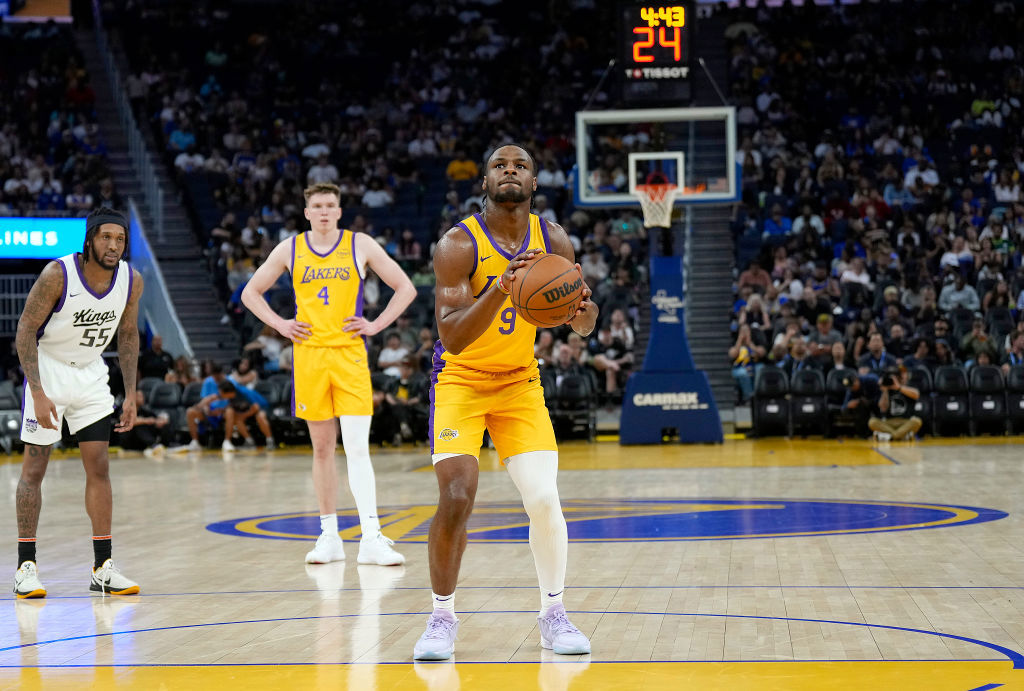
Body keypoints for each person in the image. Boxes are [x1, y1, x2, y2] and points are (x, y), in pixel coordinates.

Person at [413, 144, 597, 661]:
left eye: (520, 165)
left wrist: (582, 310)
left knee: (543, 500)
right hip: (461, 381)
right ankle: (441, 616)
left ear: (534, 182)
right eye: (499, 165)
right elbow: (452, 337)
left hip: (520, 382)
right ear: (486, 181)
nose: (509, 170)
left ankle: (554, 613)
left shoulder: (554, 238)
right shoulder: (457, 245)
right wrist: (503, 286)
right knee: (456, 496)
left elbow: (582, 321)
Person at [241, 182, 415, 567]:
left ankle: (371, 536)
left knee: (356, 447)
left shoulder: (361, 244)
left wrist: (376, 324)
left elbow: (405, 287)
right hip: (309, 358)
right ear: (307, 212)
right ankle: (329, 536)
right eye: (316, 205)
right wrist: (281, 325)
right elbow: (250, 292)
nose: (323, 211)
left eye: (330, 205)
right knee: (322, 449)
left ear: (339, 211)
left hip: (350, 356)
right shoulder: (290, 248)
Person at [14, 207, 143, 598]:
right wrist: (36, 391)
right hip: (50, 372)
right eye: (106, 237)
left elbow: (128, 336)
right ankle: (25, 567)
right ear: (89, 239)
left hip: (90, 374)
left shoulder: (131, 280)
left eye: (119, 239)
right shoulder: (58, 274)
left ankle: (102, 566)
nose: (113, 245)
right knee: (35, 468)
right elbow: (25, 330)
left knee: (99, 466)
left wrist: (131, 393)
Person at [189, 379, 273, 451]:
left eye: (221, 392)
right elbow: (212, 398)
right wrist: (198, 406)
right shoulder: (229, 394)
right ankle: (250, 441)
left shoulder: (243, 393)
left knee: (260, 417)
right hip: (247, 409)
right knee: (236, 418)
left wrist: (243, 416)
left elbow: (256, 407)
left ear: (228, 392)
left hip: (262, 406)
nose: (220, 394)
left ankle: (270, 441)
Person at [868, 366, 922, 441]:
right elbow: (883, 408)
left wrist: (899, 387)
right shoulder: (887, 389)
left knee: (917, 421)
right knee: (872, 422)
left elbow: (916, 395)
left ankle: (889, 436)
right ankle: (900, 436)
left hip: (905, 422)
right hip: (889, 422)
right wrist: (885, 391)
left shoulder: (907, 386)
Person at [117, 390, 173, 455]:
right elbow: (127, 421)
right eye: (139, 396)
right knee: (139, 425)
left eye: (142, 396)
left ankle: (165, 444)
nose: (142, 398)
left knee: (164, 425)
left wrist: (161, 421)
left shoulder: (144, 411)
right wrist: (146, 421)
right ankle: (154, 445)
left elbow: (156, 418)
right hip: (128, 442)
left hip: (140, 443)